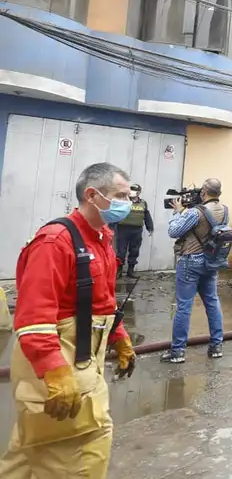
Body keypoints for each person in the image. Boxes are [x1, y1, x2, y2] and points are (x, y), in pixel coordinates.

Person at [0, 163, 136, 478]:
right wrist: (56, 374)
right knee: (81, 455)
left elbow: (101, 300)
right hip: (59, 369)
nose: (127, 203)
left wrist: (119, 337)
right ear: (93, 194)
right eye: (120, 195)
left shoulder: (102, 237)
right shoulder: (55, 242)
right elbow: (33, 319)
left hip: (82, 360)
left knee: (27, 459)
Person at [163, 178, 229, 363]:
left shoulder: (194, 212)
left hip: (191, 261)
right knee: (212, 302)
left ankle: (178, 351)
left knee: (184, 306)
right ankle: (216, 346)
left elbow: (173, 231)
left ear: (203, 193)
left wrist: (178, 213)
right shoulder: (225, 211)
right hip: (211, 261)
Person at [115, 183, 154, 279]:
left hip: (136, 230)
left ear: (139, 192)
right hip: (123, 229)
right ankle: (119, 271)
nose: (132, 192)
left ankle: (130, 271)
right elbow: (115, 213)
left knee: (134, 250)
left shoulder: (143, 203)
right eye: (130, 190)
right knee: (121, 251)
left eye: (134, 190)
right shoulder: (123, 201)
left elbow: (146, 215)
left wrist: (150, 227)